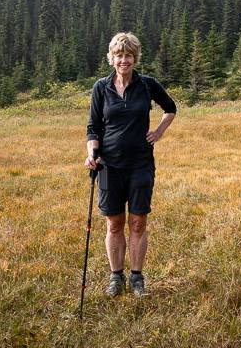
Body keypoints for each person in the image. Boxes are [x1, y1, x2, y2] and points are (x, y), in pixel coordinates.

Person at [85, 32, 177, 297]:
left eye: (128, 55)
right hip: (109, 166)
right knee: (114, 223)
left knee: (138, 222)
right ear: (111, 58)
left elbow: (170, 108)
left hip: (140, 164)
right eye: (119, 55)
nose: (123, 60)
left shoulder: (147, 85)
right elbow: (93, 127)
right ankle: (116, 277)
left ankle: (137, 277)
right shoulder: (101, 88)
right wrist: (92, 152)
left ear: (135, 58)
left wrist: (158, 132)